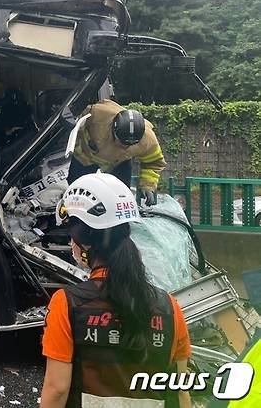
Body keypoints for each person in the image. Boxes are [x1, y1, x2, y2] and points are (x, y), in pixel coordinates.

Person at [40, 172, 191, 408]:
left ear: (85, 243)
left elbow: (57, 390)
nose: (71, 245)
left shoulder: (67, 304)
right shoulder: (170, 308)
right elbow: (180, 393)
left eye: (71, 237)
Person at [68, 99, 166, 206]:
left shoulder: (148, 140)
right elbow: (72, 121)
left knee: (122, 198)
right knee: (76, 195)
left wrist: (148, 185)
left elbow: (154, 163)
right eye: (121, 141)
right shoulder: (96, 114)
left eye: (130, 144)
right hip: (83, 158)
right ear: (113, 129)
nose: (124, 147)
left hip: (118, 163)